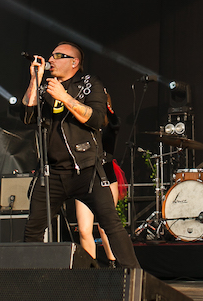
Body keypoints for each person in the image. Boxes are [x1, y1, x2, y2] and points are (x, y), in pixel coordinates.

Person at [23, 42, 139, 268]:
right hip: (52, 172)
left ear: (74, 62)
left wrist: (64, 97)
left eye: (58, 55)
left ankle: (134, 276)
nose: (51, 60)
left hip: (85, 169)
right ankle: (32, 280)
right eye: (51, 55)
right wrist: (34, 80)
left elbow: (97, 119)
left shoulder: (89, 83)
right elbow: (27, 116)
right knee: (33, 229)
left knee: (110, 224)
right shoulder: (45, 87)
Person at [74, 93, 126, 267]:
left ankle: (113, 266)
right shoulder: (81, 121)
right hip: (85, 177)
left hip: (106, 175)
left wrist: (106, 106)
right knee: (84, 229)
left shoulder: (110, 123)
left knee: (105, 227)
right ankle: (91, 269)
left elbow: (115, 123)